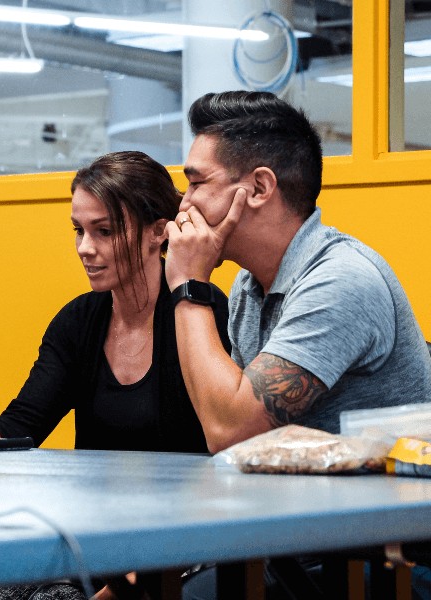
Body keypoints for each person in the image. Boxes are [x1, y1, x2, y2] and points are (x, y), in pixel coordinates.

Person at [164, 91, 431, 599]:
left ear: (259, 187)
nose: (184, 205)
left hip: (387, 556)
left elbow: (229, 431)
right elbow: (231, 440)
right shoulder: (251, 286)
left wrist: (189, 287)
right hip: (299, 538)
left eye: (197, 183)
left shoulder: (341, 279)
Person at [0, 150, 230, 453]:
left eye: (104, 231)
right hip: (96, 504)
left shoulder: (199, 308)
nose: (85, 247)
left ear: (158, 231)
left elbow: (229, 432)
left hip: (187, 502)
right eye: (79, 231)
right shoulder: (78, 321)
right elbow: (20, 426)